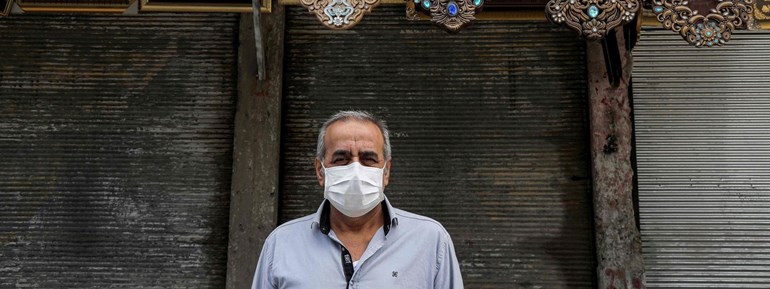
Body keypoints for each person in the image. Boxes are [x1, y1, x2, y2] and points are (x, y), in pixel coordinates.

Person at [251, 110, 463, 288]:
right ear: (320, 171)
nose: (355, 170)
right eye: (341, 159)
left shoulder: (431, 242)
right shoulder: (281, 245)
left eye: (368, 159)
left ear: (386, 171)